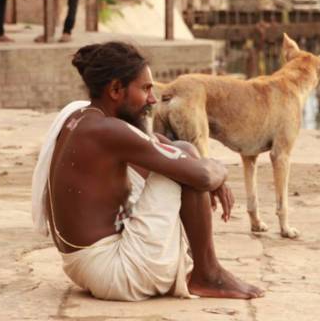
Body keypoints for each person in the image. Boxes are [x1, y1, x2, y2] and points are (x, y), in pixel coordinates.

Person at [31, 41, 265, 301]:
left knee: (181, 151)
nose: (153, 99)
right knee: (187, 162)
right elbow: (201, 176)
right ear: (116, 89)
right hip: (115, 271)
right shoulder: (108, 131)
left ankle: (204, 268)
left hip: (81, 265)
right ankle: (206, 273)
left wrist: (196, 166)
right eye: (145, 89)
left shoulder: (81, 114)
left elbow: (156, 144)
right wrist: (219, 171)